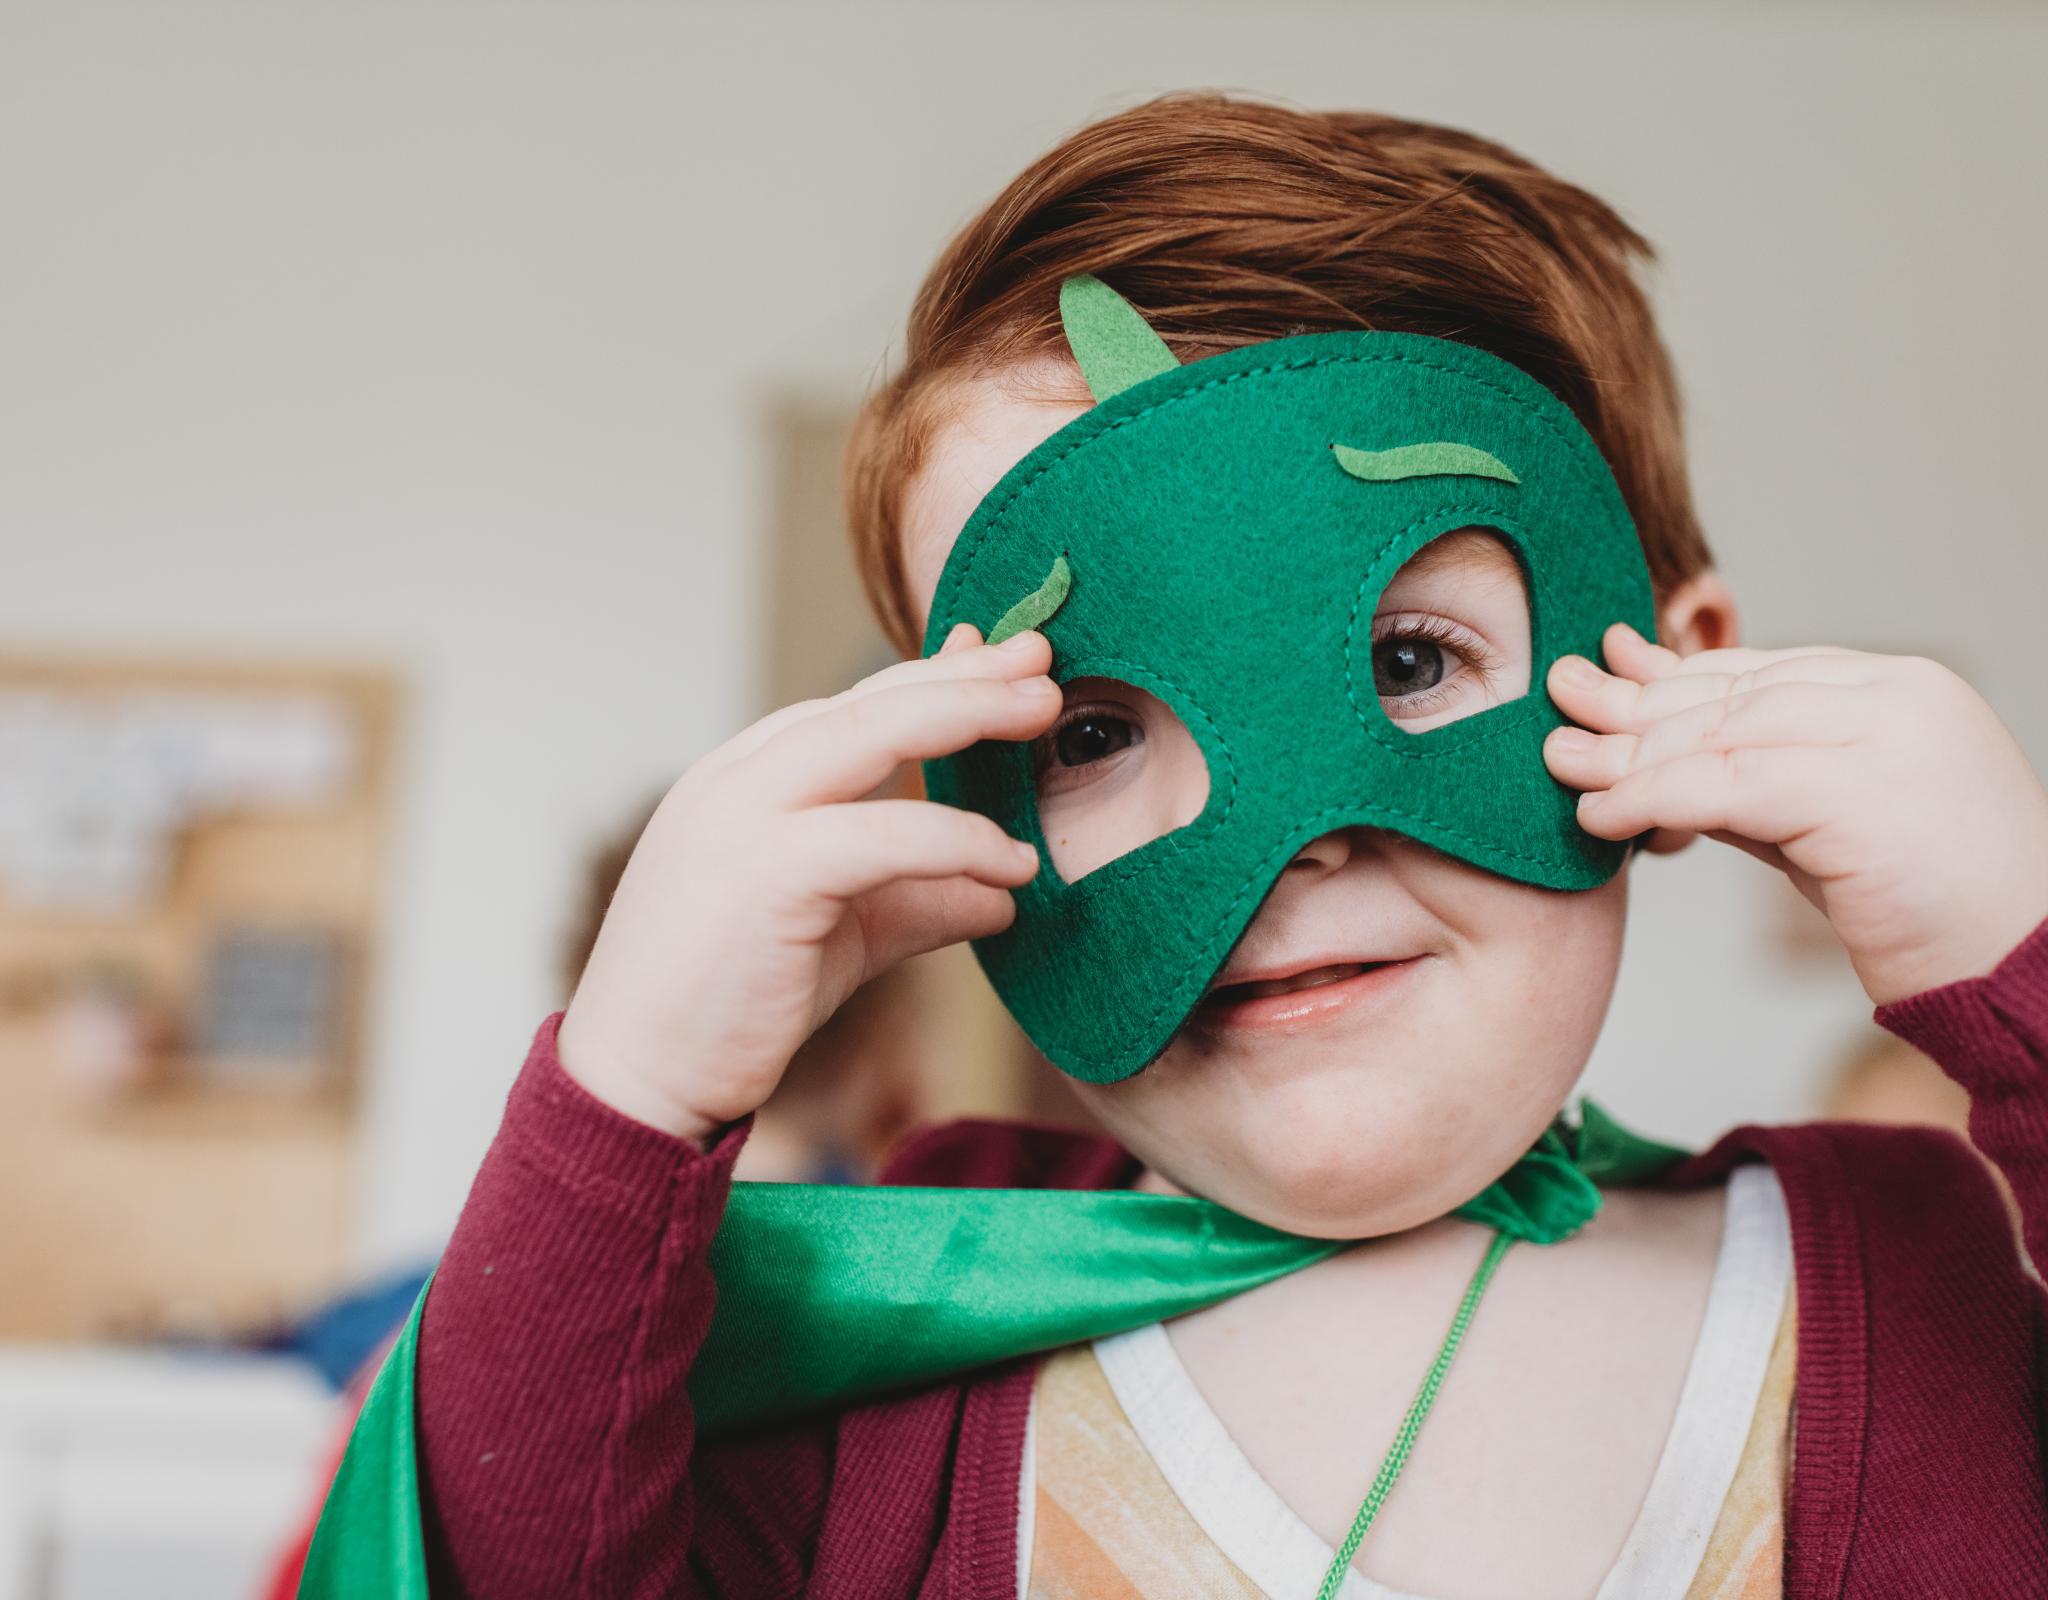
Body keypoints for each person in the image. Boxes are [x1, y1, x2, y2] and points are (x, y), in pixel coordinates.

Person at [396, 96, 2048, 1597]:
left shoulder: (1933, 1273)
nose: (1277, 852)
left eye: (1409, 663)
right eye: (1091, 738)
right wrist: (627, 1091)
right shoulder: (901, 1331)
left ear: (1686, 691)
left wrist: (2018, 947)